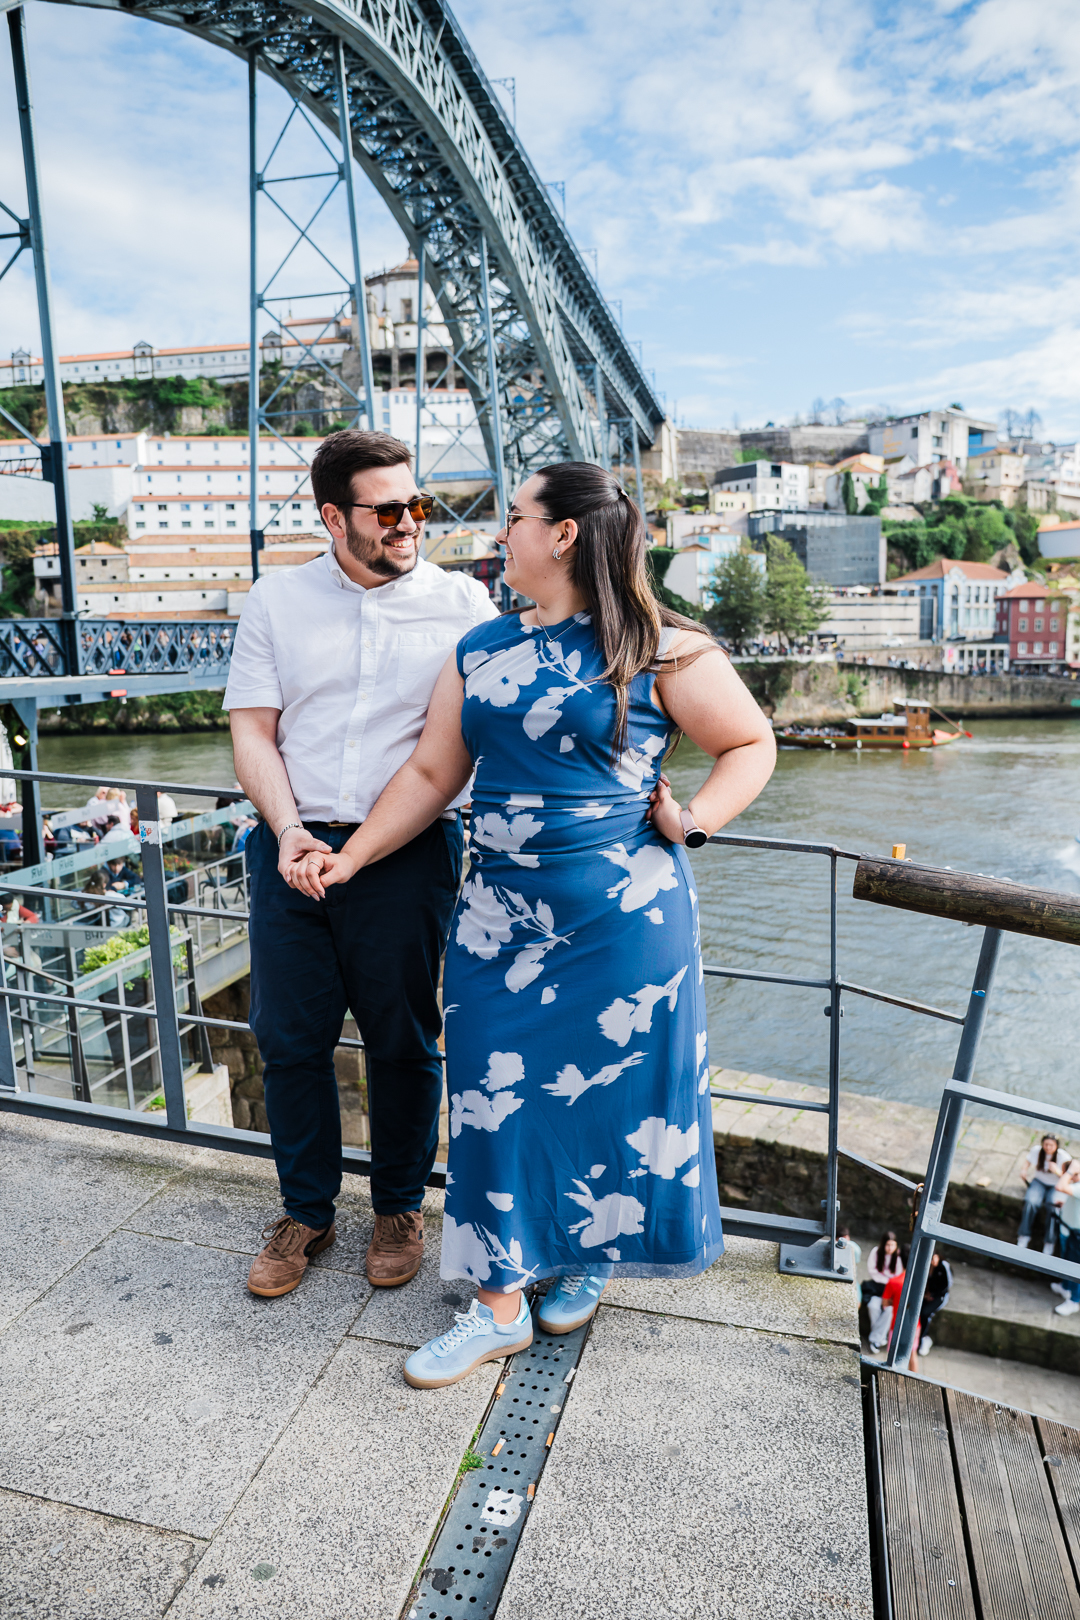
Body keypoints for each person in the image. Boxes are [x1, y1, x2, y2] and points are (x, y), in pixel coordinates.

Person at [287, 460, 777, 1388]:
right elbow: (434, 776)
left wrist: (696, 818)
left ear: (563, 536)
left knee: (611, 1096)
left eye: (513, 518)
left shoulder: (663, 648)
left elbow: (751, 744)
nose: (497, 533)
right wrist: (346, 856)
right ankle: (498, 1303)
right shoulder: (480, 649)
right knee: (490, 1101)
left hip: (626, 919)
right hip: (497, 917)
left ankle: (588, 1253)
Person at [224, 429, 497, 1300]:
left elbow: (526, 705)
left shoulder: (463, 603)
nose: (409, 522)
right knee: (287, 1036)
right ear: (333, 516)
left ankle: (397, 1206)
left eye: (416, 505)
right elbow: (252, 730)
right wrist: (289, 831)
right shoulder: (276, 599)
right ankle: (306, 1211)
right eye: (388, 510)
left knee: (405, 1040)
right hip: (293, 848)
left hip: (408, 852)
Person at [1018, 1133, 1071, 1253]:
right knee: (1031, 1202)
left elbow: (1069, 1177)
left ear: (1056, 1146)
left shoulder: (1063, 1157)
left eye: (1051, 1145)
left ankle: (1049, 1241)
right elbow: (1027, 1161)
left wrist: (1057, 1171)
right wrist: (1024, 1170)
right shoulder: (1037, 1151)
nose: (1048, 1147)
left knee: (1053, 1207)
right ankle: (1024, 1235)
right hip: (1039, 1182)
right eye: (1046, 1144)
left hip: (1055, 1185)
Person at [865, 1231, 905, 1348]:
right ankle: (879, 1338)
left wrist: (887, 1281)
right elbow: (872, 1271)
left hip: (890, 1290)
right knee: (872, 1306)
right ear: (883, 1244)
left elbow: (897, 1275)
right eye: (888, 1245)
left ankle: (875, 1339)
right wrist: (886, 1279)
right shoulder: (876, 1252)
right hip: (877, 1288)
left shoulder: (898, 1257)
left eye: (893, 1245)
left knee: (889, 1311)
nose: (890, 1248)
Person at [1052, 1160, 1080, 1316]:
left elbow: (1060, 1186)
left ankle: (1074, 1301)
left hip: (1078, 1234)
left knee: (1076, 1267)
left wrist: (1070, 1171)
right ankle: (1065, 1287)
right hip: (1071, 1229)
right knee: (1067, 1260)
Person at [916, 1252, 952, 1356]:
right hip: (926, 1294)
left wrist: (933, 1294)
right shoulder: (925, 1265)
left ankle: (924, 1338)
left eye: (934, 1258)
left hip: (939, 1295)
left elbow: (946, 1285)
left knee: (925, 1313)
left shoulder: (943, 1266)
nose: (933, 1261)